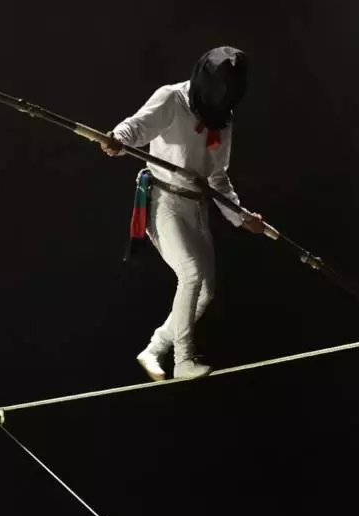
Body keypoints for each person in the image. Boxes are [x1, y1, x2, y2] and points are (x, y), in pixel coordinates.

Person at [101, 46, 265, 381]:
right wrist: (117, 139)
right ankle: (183, 360)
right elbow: (135, 128)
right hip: (165, 201)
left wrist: (241, 216)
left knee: (206, 290)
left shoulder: (224, 119)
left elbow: (217, 178)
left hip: (197, 207)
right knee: (190, 273)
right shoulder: (171, 99)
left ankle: (154, 349)